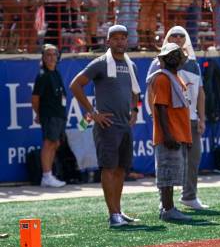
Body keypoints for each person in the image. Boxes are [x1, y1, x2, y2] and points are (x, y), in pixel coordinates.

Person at [70, 25, 141, 228]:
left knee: (121, 169)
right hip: (107, 125)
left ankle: (118, 211)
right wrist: (93, 113)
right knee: (109, 168)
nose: (120, 41)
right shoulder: (100, 63)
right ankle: (113, 215)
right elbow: (75, 84)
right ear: (107, 42)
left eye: (123, 38)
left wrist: (135, 111)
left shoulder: (131, 65)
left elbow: (136, 91)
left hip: (124, 125)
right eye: (115, 38)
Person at [148, 26, 208, 211]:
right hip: (169, 119)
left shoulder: (193, 63)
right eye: (173, 35)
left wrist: (201, 118)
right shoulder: (158, 64)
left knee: (193, 159)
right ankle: (165, 201)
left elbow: (199, 92)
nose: (177, 38)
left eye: (181, 35)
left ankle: (189, 196)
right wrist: (154, 116)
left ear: (187, 39)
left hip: (190, 118)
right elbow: (152, 93)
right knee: (168, 161)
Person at [147, 43, 194, 222]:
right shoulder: (162, 79)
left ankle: (168, 207)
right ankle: (167, 208)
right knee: (167, 174)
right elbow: (160, 107)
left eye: (176, 55)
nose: (174, 58)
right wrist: (167, 134)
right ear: (163, 60)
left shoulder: (175, 78)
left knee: (173, 174)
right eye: (170, 55)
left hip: (179, 133)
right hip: (170, 134)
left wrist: (186, 136)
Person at [32, 44, 67, 188]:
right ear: (43, 57)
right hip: (49, 115)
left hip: (59, 114)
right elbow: (35, 99)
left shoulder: (56, 73)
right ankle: (46, 176)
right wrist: (39, 114)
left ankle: (49, 175)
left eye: (54, 54)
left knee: (56, 143)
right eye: (48, 54)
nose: (52, 57)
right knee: (48, 143)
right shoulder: (43, 76)